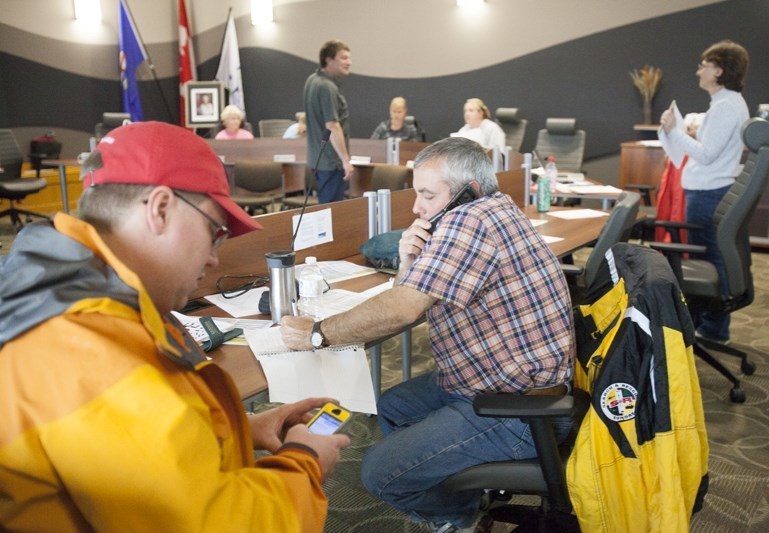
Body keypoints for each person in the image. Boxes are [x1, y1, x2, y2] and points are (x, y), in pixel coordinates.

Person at [0, 121, 350, 531]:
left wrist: (243, 427)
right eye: (214, 232)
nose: (215, 258)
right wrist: (304, 461)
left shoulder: (72, 297)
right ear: (160, 208)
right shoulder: (89, 352)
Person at [280, 136, 575, 531]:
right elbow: (410, 296)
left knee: (378, 473)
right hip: (506, 383)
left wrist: (316, 334)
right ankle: (463, 486)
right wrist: (407, 262)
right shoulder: (495, 209)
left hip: (520, 412)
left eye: (427, 195)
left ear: (465, 193)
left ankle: (459, 516)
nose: (417, 207)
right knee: (394, 406)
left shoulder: (467, 222)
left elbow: (403, 310)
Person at [659, 40, 750, 344]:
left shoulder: (726, 106)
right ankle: (707, 324)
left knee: (709, 261)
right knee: (711, 258)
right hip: (707, 190)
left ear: (719, 70)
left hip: (707, 193)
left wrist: (675, 132)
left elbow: (707, 155)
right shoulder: (725, 104)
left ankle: (713, 328)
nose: (699, 70)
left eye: (704, 65)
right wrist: (688, 134)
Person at [303, 39, 354, 203]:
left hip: (318, 160)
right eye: (344, 58)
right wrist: (346, 161)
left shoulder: (312, 79)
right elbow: (332, 126)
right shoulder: (327, 87)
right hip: (332, 162)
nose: (349, 62)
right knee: (331, 212)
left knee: (325, 211)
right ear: (329, 60)